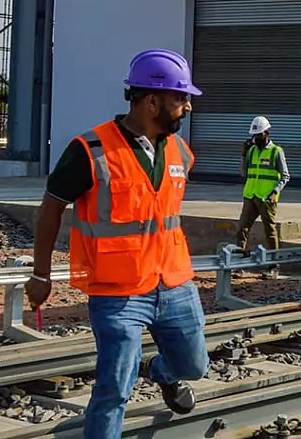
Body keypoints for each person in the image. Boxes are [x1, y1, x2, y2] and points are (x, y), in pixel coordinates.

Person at [25, 49, 210, 437]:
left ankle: (163, 372)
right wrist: (41, 274)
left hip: (175, 284)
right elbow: (49, 212)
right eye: (181, 98)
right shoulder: (89, 150)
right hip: (117, 294)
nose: (188, 107)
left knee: (195, 366)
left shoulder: (180, 151)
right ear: (151, 101)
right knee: (113, 391)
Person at [233, 115, 290, 278]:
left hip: (267, 198)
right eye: (254, 135)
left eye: (258, 135)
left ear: (267, 133)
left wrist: (274, 192)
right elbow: (244, 173)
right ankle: (238, 265)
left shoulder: (276, 152)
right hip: (250, 195)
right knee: (242, 230)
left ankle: (273, 266)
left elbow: (285, 176)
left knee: (270, 232)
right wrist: (243, 155)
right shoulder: (251, 151)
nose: (255, 138)